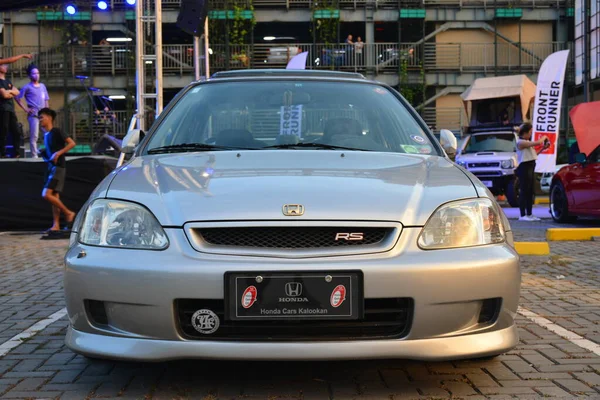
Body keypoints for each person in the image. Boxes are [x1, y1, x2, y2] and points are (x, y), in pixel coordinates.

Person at [38, 108, 77, 232]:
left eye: (41, 117)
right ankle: (56, 225)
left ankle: (68, 213)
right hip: (52, 167)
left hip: (59, 168)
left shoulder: (57, 131)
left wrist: (58, 153)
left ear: (49, 117)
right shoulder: (46, 135)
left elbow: (72, 143)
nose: (40, 120)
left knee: (46, 194)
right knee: (55, 196)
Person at [515, 122, 550, 221]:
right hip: (524, 167)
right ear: (525, 132)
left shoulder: (527, 142)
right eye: (530, 132)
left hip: (531, 166)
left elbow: (533, 155)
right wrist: (544, 137)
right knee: (524, 191)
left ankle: (529, 214)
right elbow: (538, 142)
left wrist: (543, 148)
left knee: (530, 191)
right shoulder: (521, 142)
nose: (531, 134)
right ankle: (522, 215)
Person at [15, 64, 50, 158]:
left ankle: (48, 153)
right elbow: (17, 97)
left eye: (37, 73)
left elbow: (46, 99)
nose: (36, 75)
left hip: (44, 115)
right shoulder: (27, 87)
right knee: (34, 136)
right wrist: (25, 109)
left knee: (47, 135)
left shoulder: (42, 86)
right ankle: (34, 156)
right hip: (34, 115)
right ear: (29, 75)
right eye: (34, 73)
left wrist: (48, 113)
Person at [0, 64, 21, 158]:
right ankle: (2, 153)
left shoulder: (8, 81)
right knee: (4, 130)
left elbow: (17, 92)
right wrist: (10, 92)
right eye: (3, 65)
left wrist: (8, 92)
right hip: (3, 109)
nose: (5, 66)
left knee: (16, 130)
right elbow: (4, 95)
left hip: (11, 109)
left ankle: (17, 152)